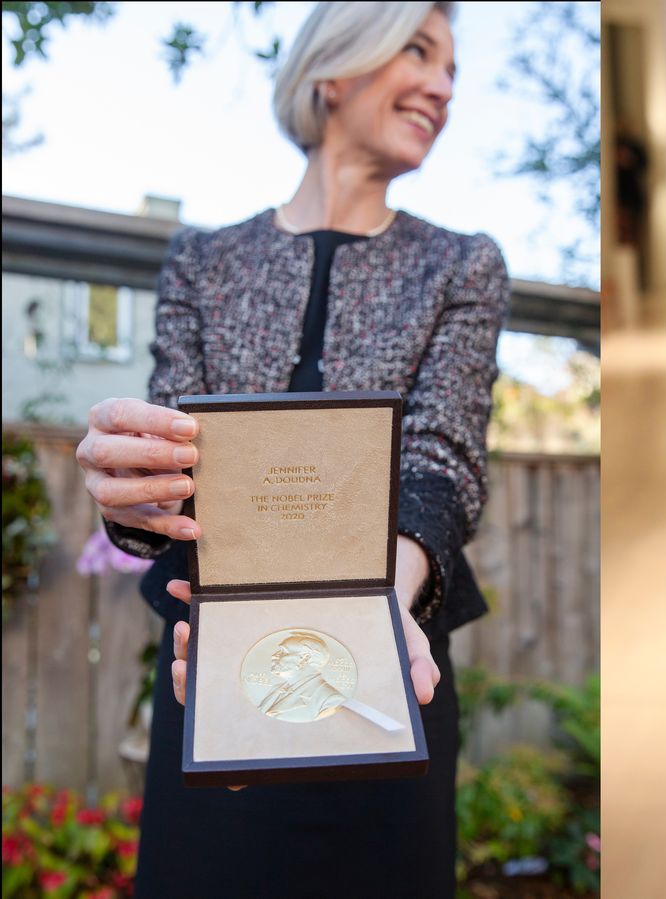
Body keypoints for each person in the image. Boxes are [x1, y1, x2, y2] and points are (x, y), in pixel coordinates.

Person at [74, 3, 508, 896]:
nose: (442, 85)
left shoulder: (463, 265)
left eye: (453, 69)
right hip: (215, 665)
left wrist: (377, 615)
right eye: (418, 52)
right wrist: (129, 487)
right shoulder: (203, 259)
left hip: (396, 661)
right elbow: (170, 485)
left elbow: (442, 460)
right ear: (333, 70)